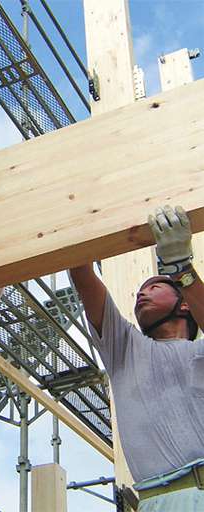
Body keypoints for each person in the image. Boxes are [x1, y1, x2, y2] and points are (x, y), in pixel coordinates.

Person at [70, 205, 204, 511]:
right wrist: (84, 215)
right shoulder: (126, 350)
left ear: (184, 305)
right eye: (139, 292)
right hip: (160, 500)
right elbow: (81, 272)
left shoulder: (199, 350)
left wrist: (181, 268)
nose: (140, 295)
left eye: (155, 287)